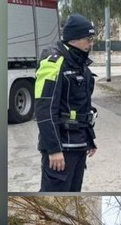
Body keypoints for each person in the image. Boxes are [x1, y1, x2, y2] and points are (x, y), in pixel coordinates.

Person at [35, 13, 97, 192]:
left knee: (73, 194)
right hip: (60, 149)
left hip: (79, 146)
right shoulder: (53, 62)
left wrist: (90, 139)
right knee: (54, 196)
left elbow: (82, 106)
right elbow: (44, 109)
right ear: (74, 39)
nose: (91, 43)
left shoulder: (81, 64)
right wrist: (53, 149)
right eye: (88, 39)